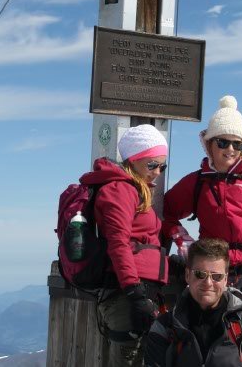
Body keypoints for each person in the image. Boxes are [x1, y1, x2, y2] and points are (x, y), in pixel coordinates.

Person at [163, 95, 242, 342]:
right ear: (209, 143)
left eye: (237, 144)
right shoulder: (197, 182)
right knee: (212, 344)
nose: (230, 149)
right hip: (211, 277)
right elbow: (164, 211)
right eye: (223, 142)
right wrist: (180, 236)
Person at [78, 124, 170, 366]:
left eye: (162, 165)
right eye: (152, 165)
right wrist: (134, 293)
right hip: (125, 294)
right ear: (134, 160)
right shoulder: (119, 189)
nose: (158, 172)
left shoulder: (135, 190)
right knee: (128, 358)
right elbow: (118, 243)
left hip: (138, 290)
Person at [145, 238, 242, 366]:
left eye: (216, 277)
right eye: (200, 274)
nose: (208, 283)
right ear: (187, 275)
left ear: (225, 280)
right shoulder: (165, 328)